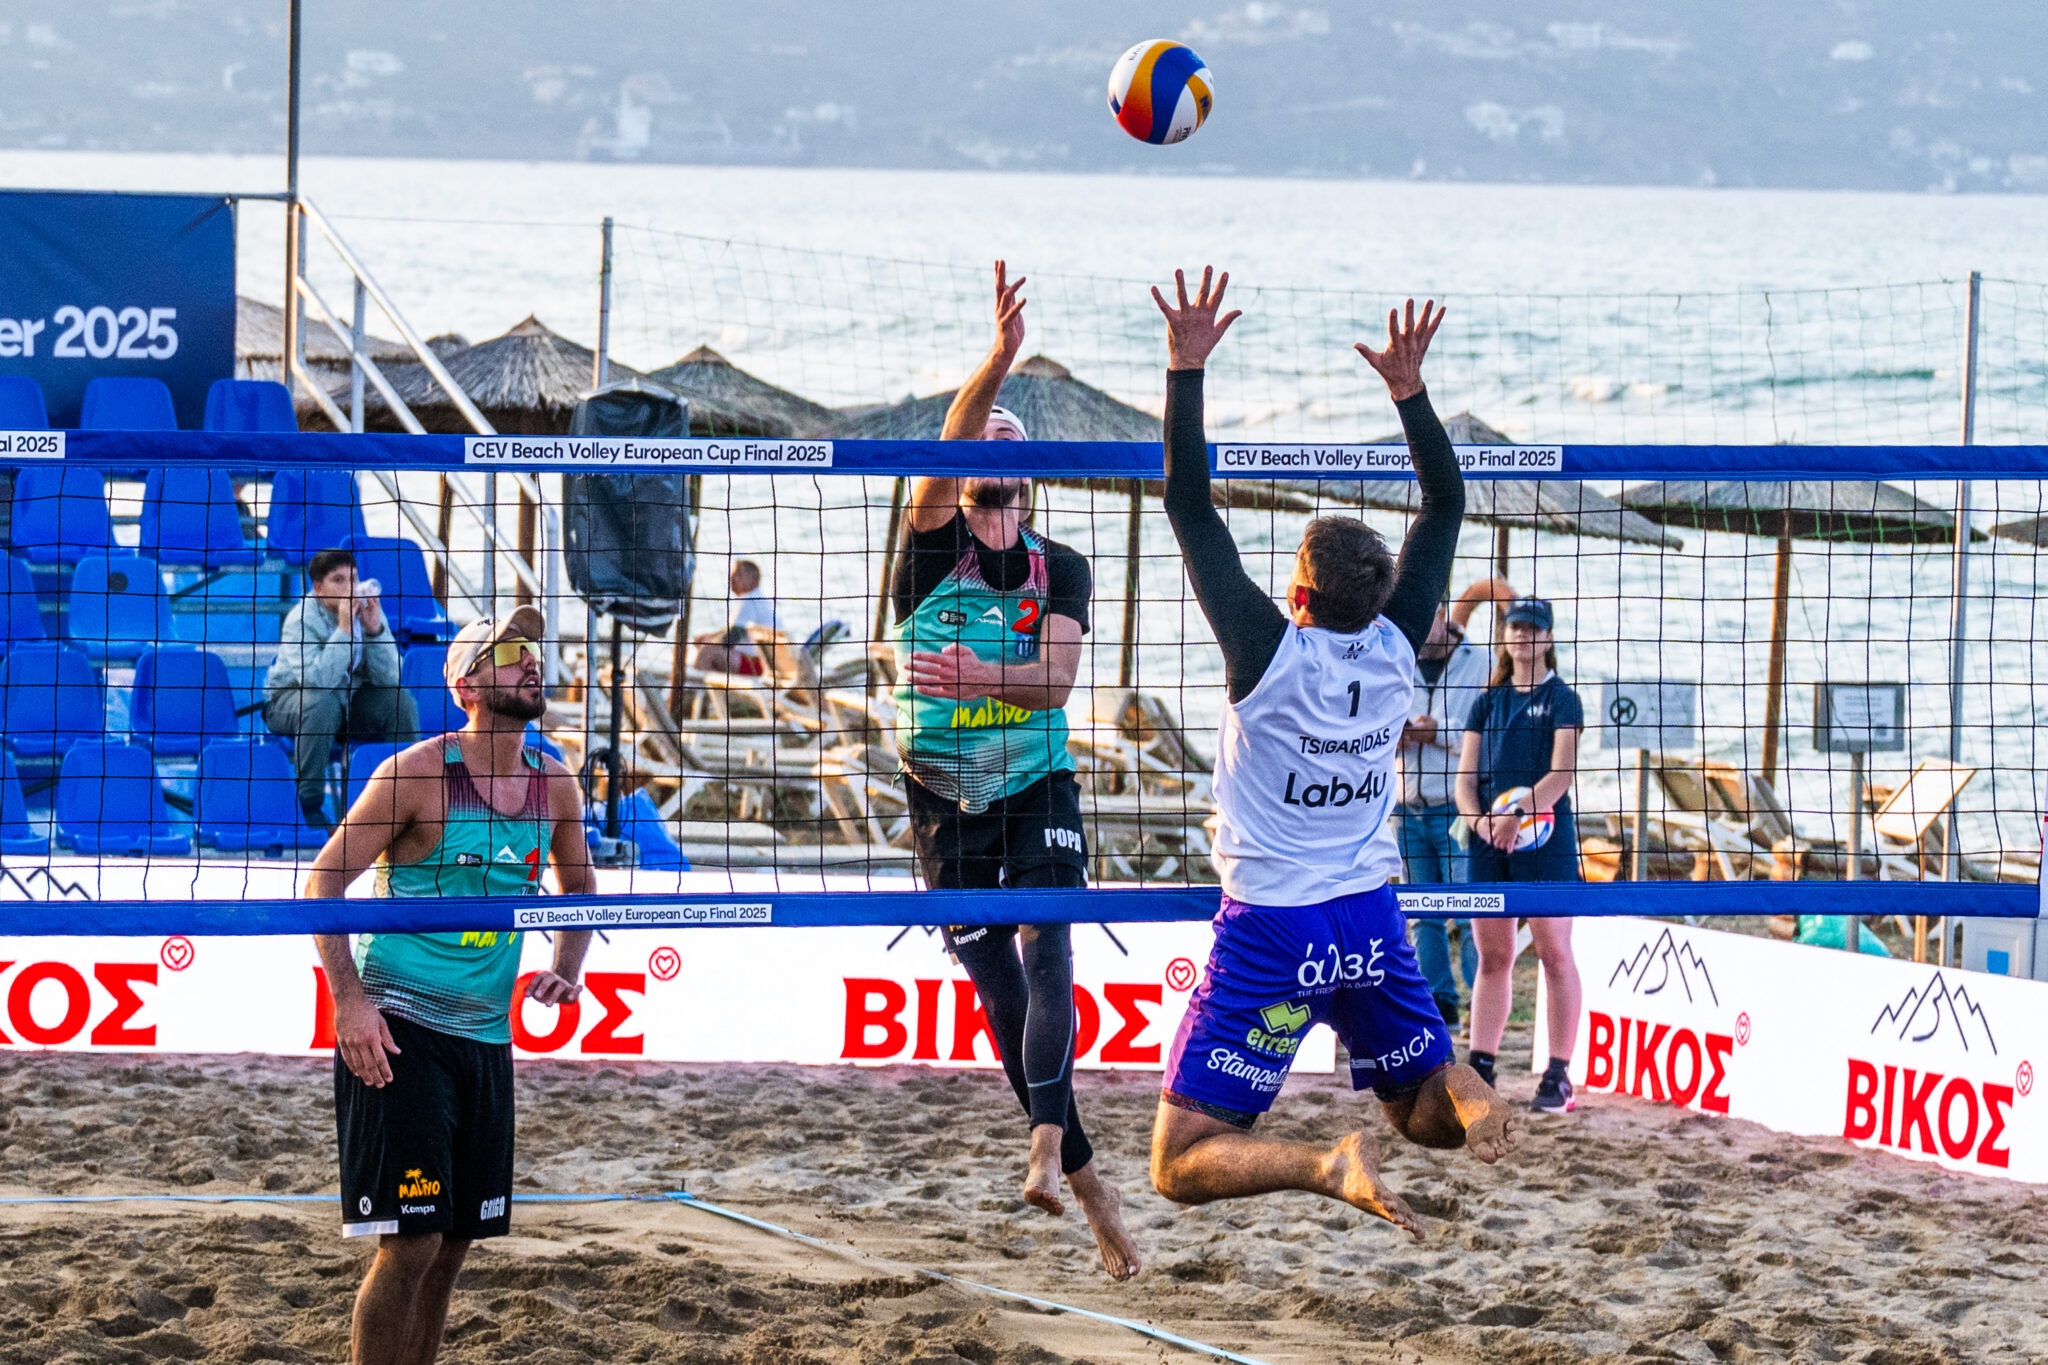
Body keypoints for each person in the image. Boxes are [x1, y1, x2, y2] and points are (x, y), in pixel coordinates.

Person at [1148, 269, 1515, 1238]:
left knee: (1177, 1162)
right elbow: (1443, 504)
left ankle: (1322, 1163)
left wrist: (1185, 369)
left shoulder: (1265, 656)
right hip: (1366, 918)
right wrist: (1408, 390)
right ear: (1388, 591)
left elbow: (1189, 506)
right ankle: (1461, 1082)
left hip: (1272, 928)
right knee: (1419, 1119)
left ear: (1296, 598)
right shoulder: (1401, 650)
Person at [890, 260, 1140, 1281]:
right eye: (986, 436)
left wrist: (984, 670)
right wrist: (995, 359)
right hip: (942, 791)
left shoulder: (1060, 565)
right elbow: (950, 449)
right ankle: (1080, 1173)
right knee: (994, 978)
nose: (997, 444)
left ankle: (1045, 1143)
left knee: (1050, 949)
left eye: (1011, 439)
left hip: (1036, 777)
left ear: (1032, 471)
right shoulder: (927, 544)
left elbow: (1055, 686)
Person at [307, 605, 596, 1365]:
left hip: (484, 1033)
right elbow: (321, 884)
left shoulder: (554, 780)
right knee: (412, 1240)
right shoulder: (415, 774)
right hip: (400, 1026)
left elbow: (582, 889)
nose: (531, 661)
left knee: (456, 1242)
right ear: (464, 682)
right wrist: (350, 1003)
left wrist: (568, 968)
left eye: (534, 649)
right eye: (508, 652)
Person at [1456, 595, 1586, 1114]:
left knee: (1555, 952)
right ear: (1505, 635)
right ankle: (1482, 1066)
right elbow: (1464, 781)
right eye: (1515, 627)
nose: (1523, 636)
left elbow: (1562, 774)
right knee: (1494, 956)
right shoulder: (1486, 702)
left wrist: (1519, 812)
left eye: (1533, 629)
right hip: (1489, 839)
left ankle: (1557, 1076)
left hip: (1545, 838)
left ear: (1549, 638)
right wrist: (1480, 821)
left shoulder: (1562, 699)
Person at [1397, 576, 1515, 1024]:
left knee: (1470, 909)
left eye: (1422, 616)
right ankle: (1438, 1006)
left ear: (1444, 614)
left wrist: (1438, 732)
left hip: (1455, 806)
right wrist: (1396, 737)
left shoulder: (1481, 662)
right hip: (1404, 807)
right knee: (1421, 915)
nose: (1411, 625)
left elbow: (1488, 734)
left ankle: (1482, 1004)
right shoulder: (1396, 660)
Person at [265, 548, 421, 829]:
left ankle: (406, 795)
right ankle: (309, 804)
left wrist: (375, 632)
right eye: (339, 580)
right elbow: (318, 681)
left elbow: (390, 678)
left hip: (347, 702)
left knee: (400, 701)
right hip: (290, 701)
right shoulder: (300, 620)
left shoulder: (367, 610)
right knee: (321, 704)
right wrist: (345, 630)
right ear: (318, 587)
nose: (349, 587)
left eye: (353, 578)